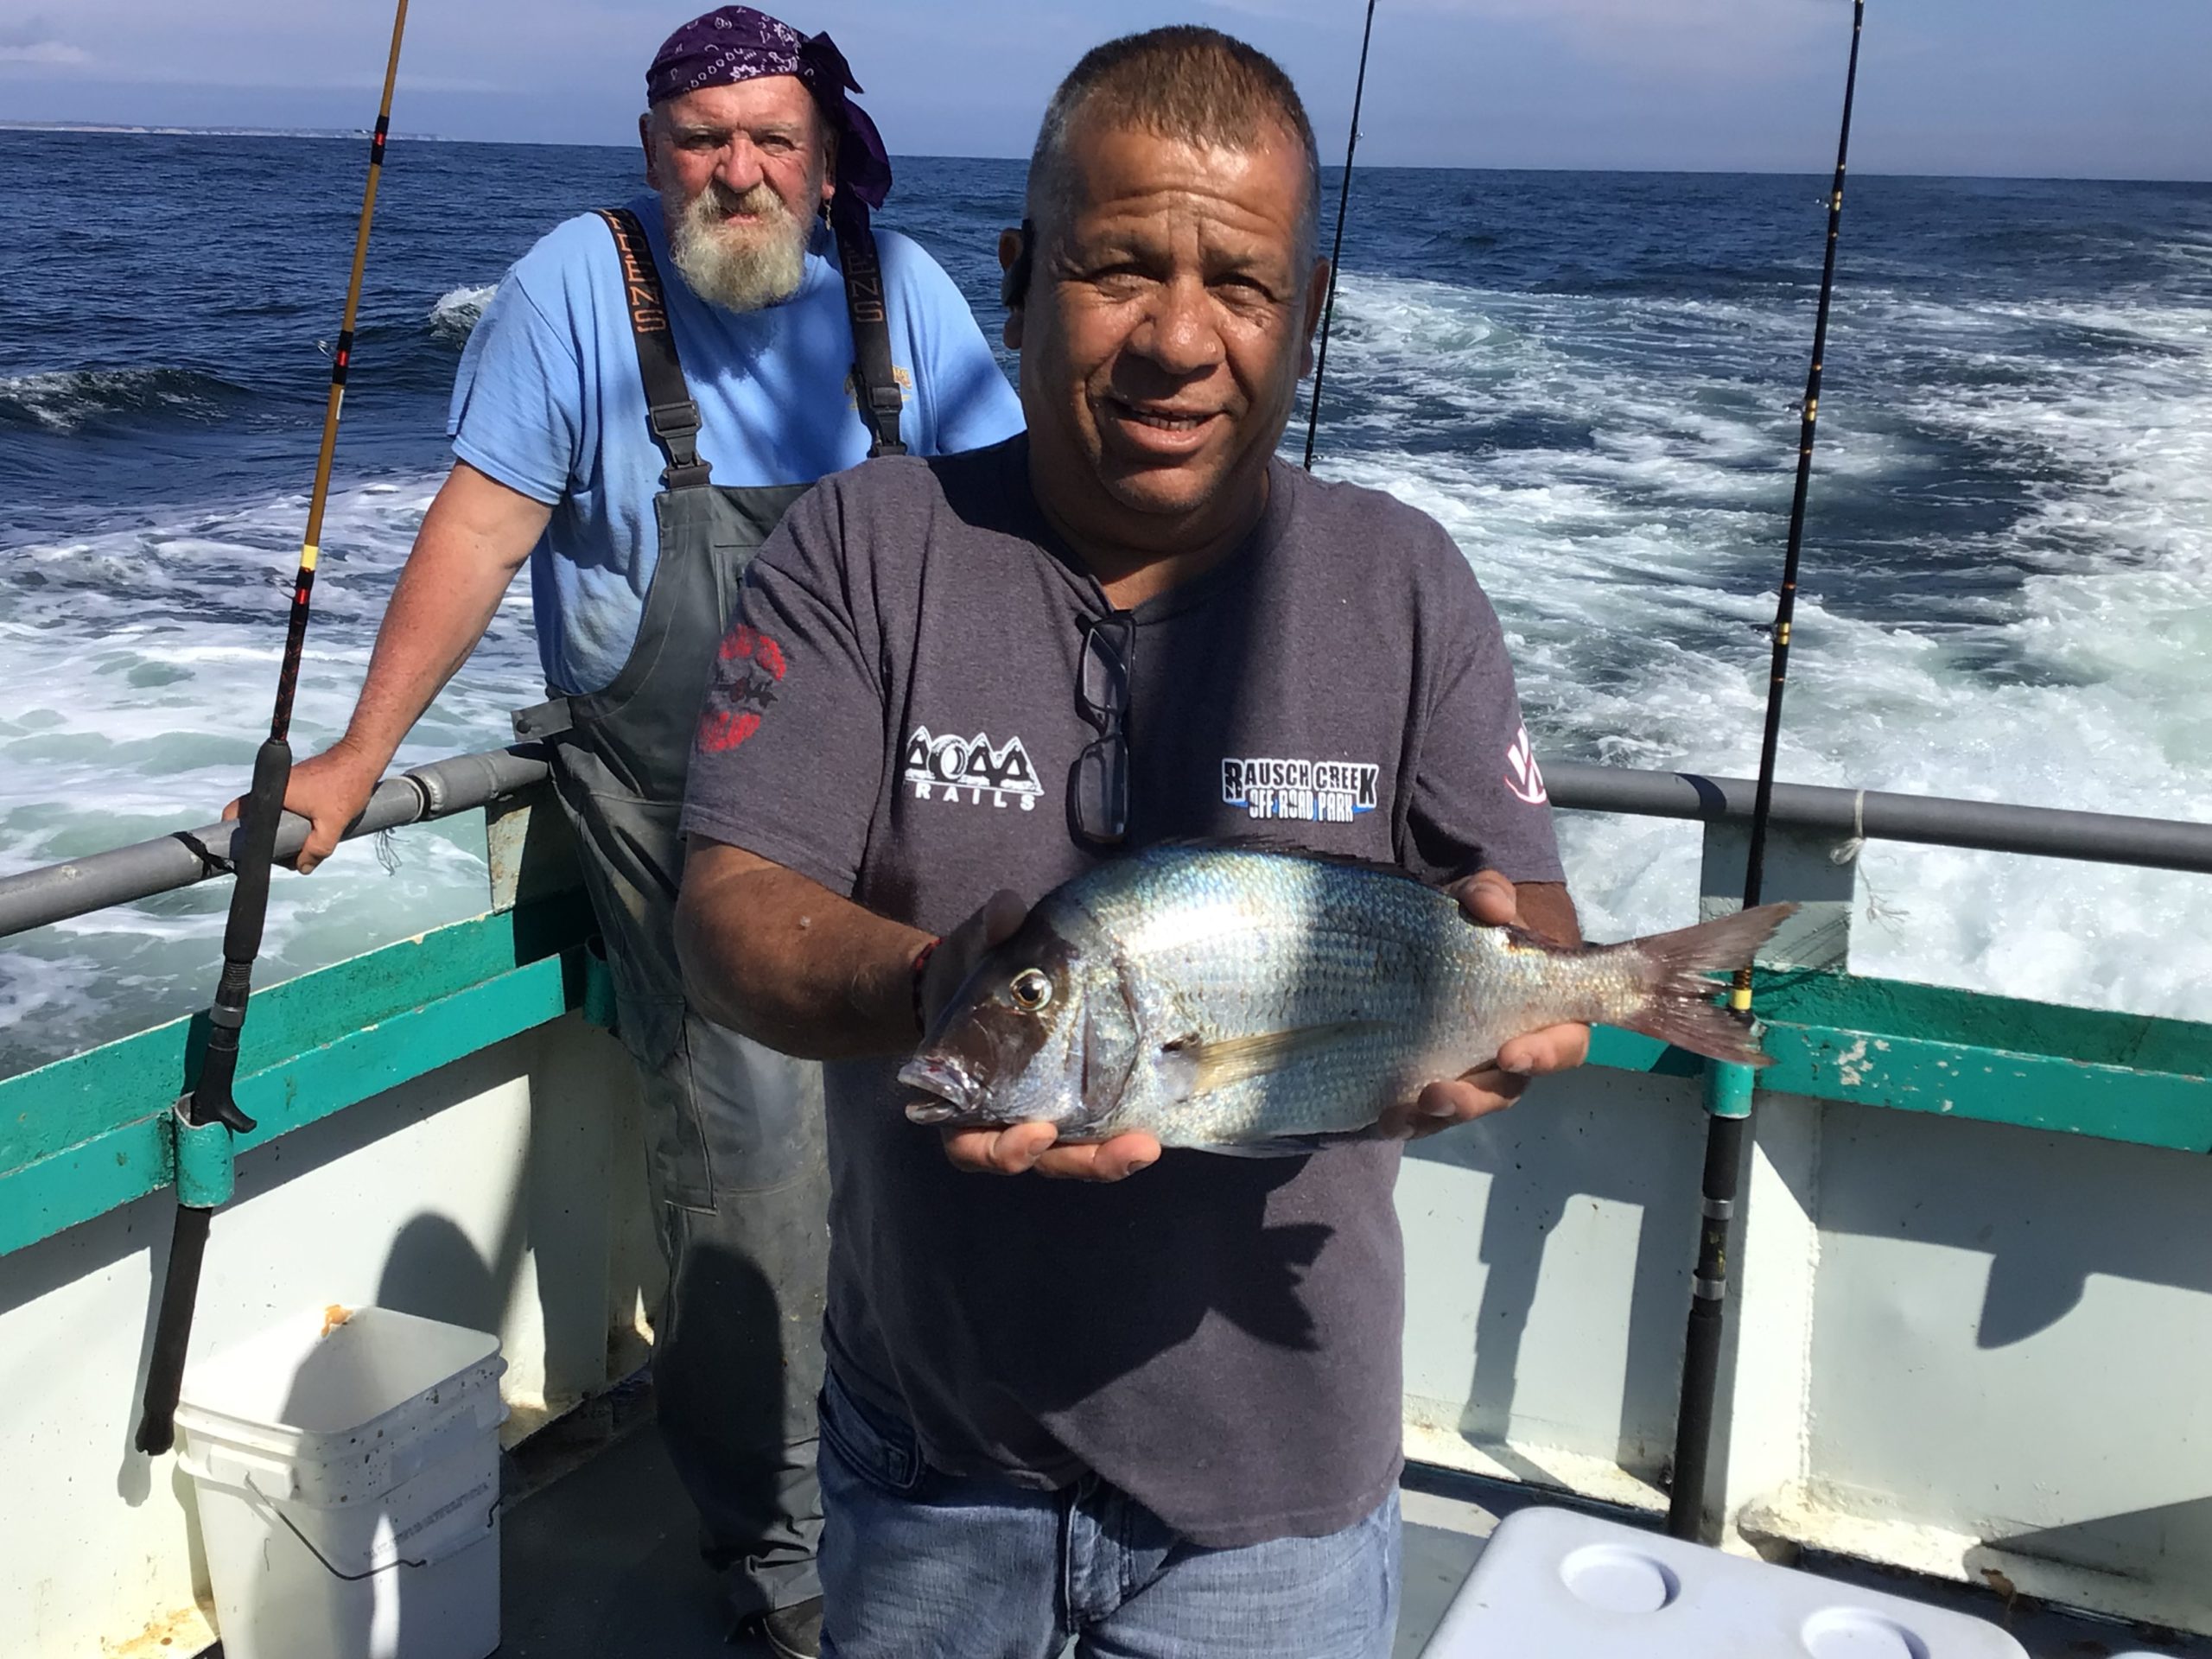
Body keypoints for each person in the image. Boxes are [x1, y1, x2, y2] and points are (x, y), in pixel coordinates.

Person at [671, 24, 1589, 1656]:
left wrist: (1515, 1016)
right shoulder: (865, 544)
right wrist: (945, 987)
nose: (1178, 340)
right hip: (931, 1463)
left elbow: (1536, 926)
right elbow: (730, 906)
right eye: (1116, 271)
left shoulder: (1406, 582)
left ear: (1305, 313)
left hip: (1280, 1509)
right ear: (1021, 277)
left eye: (1241, 285)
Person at [254, 8, 1024, 1654]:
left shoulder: (904, 292)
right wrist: (355, 756)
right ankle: (784, 1561)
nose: (739, 171)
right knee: (754, 1171)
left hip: (896, 807)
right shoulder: (575, 288)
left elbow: (1008, 534)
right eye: (702, 139)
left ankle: (948, 1483)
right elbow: (482, 525)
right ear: (653, 150)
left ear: (826, 159)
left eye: (772, 139)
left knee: (948, 1139)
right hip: (680, 813)